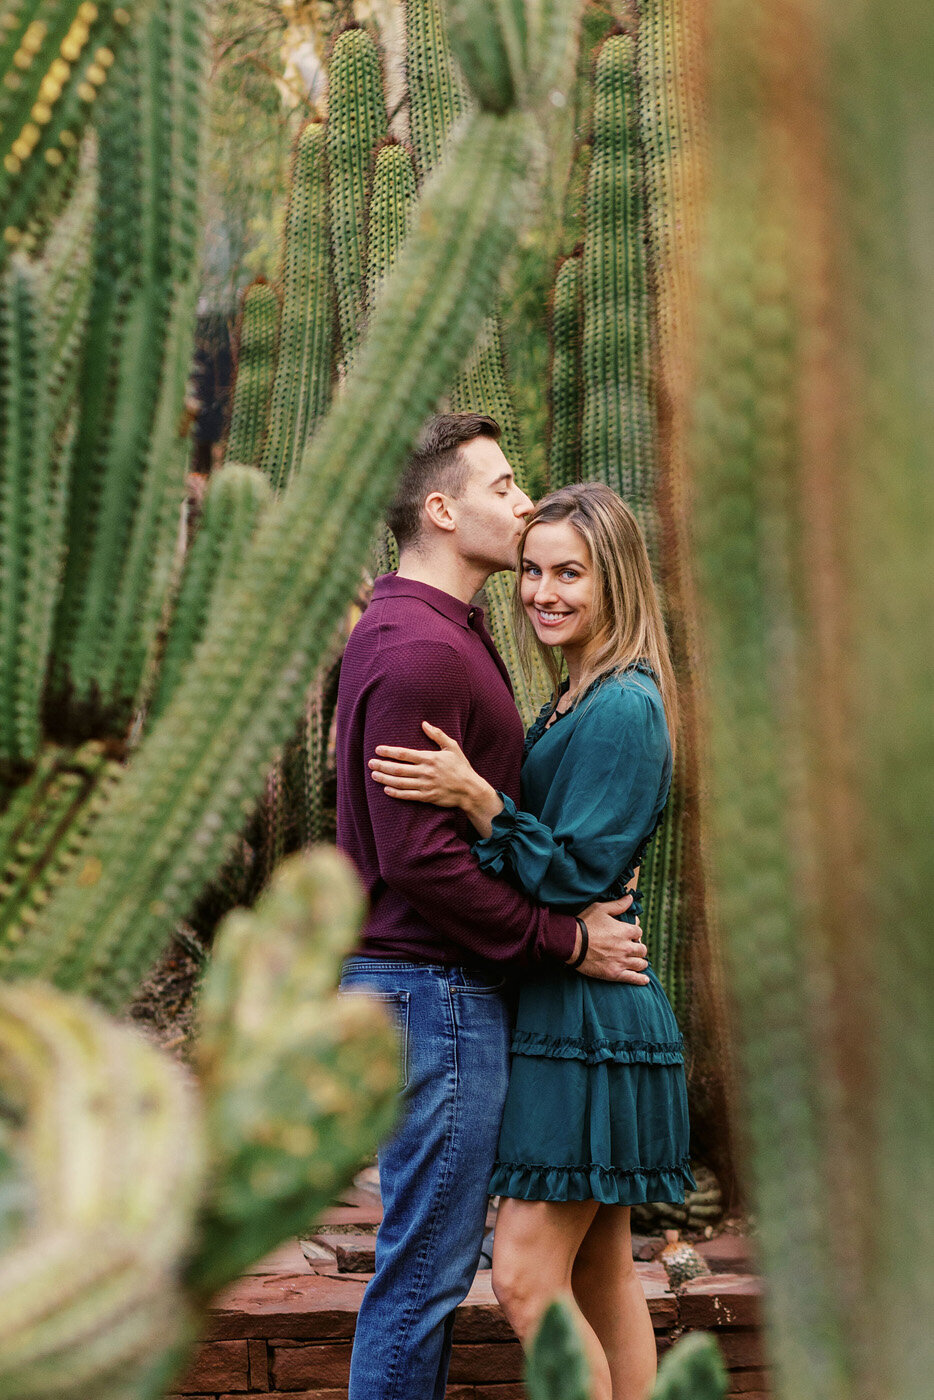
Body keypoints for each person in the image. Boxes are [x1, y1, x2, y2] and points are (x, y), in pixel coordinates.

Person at [336, 417, 651, 1400]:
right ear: (441, 509)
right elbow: (419, 861)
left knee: (500, 1265)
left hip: (447, 987)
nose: (524, 504)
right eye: (505, 487)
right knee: (423, 1274)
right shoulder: (416, 648)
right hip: (433, 988)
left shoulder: (445, 634)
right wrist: (562, 937)